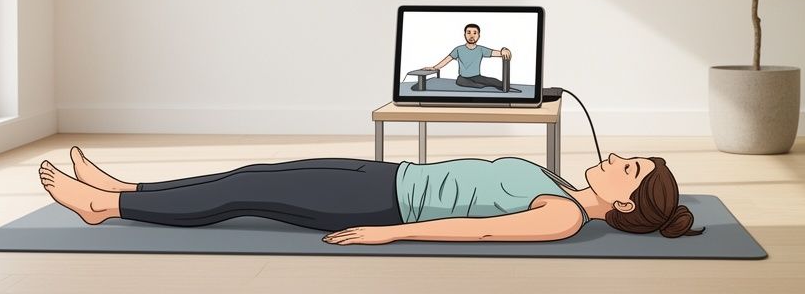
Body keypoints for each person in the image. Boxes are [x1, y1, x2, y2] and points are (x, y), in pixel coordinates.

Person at [38, 146, 704, 244]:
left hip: (382, 206)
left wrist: (387, 235)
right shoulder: (559, 187)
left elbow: (475, 232)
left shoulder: (560, 216)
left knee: (246, 194)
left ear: (625, 203)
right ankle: (126, 186)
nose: (615, 157)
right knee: (254, 172)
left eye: (629, 168)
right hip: (386, 177)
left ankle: (108, 207)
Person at [423, 23, 513, 90]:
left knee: (495, 82)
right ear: (464, 35)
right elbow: (446, 60)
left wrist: (503, 50)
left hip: (477, 76)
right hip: (463, 78)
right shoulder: (458, 49)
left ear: (479, 36)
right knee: (478, 86)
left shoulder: (481, 49)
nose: (471, 35)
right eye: (468, 32)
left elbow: (496, 53)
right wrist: (434, 68)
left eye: (474, 33)